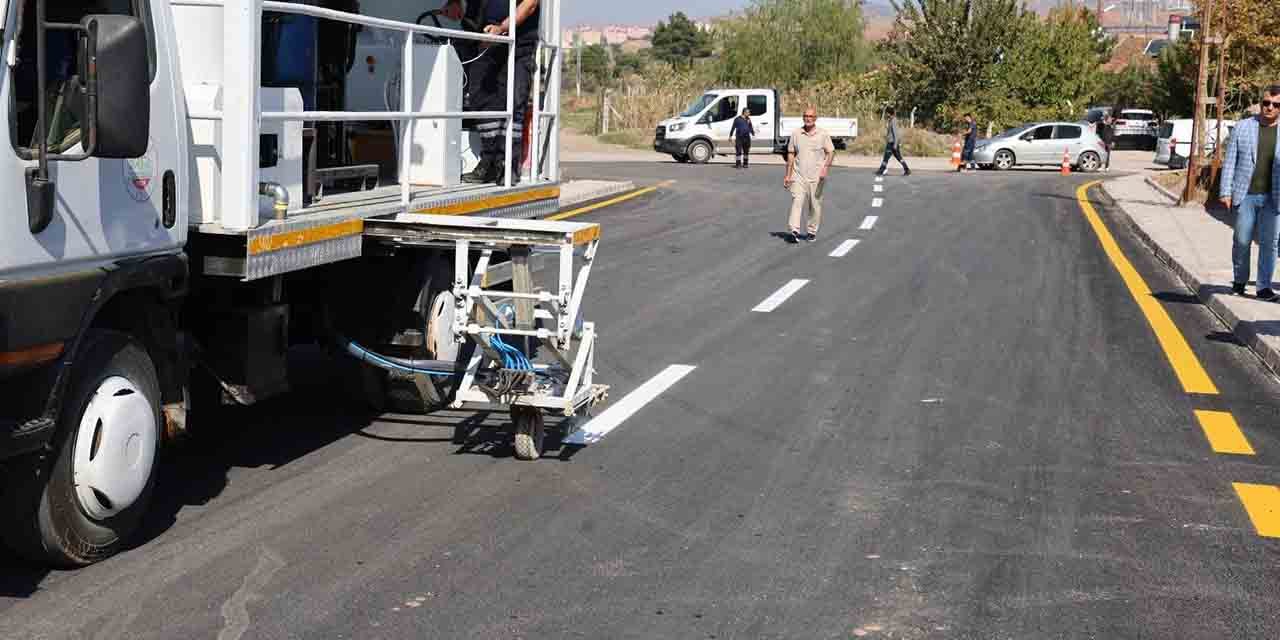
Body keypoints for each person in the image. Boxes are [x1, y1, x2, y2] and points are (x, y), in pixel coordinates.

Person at [442, 0, 541, 185]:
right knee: (480, 96)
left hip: (518, 44)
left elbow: (530, 4)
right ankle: (489, 163)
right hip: (487, 40)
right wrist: (455, 3)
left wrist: (502, 29)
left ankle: (508, 165)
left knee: (514, 102)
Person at [1221, 84, 1280, 301]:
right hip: (1245, 194)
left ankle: (1264, 287)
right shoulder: (1243, 127)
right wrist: (1225, 192)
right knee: (1242, 240)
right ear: (1260, 103)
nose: (1270, 108)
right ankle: (1239, 280)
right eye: (1266, 103)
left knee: (1270, 243)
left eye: (1275, 104)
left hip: (1274, 199)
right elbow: (1230, 162)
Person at [783, 108, 835, 244]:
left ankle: (812, 231)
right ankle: (794, 230)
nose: (808, 118)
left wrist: (825, 168)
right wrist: (788, 175)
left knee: (815, 205)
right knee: (797, 202)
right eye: (805, 116)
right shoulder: (796, 134)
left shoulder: (823, 134)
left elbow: (830, 152)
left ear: (815, 118)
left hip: (817, 177)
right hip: (798, 175)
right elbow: (791, 154)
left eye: (811, 116)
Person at [875, 107, 910, 177]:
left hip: (892, 143)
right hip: (891, 142)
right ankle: (906, 169)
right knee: (898, 157)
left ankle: (881, 170)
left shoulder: (893, 121)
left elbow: (895, 134)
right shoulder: (890, 120)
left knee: (887, 157)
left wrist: (895, 144)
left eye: (886, 113)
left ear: (889, 113)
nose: (886, 114)